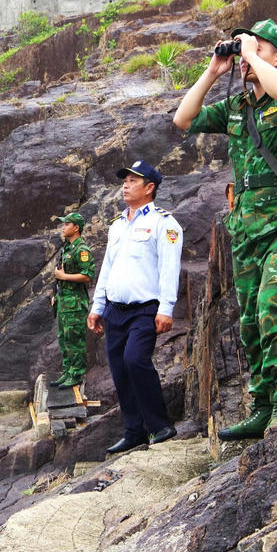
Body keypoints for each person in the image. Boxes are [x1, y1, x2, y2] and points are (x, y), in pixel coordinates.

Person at [172, 19, 277, 439]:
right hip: (246, 232)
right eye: (244, 50)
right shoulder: (237, 107)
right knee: (251, 324)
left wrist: (252, 54)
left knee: (273, 311)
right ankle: (262, 406)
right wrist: (213, 71)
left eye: (259, 48)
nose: (246, 58)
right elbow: (183, 119)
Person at [87, 161, 184, 454]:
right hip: (115, 309)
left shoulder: (164, 223)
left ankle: (160, 425)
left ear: (149, 187)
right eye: (124, 181)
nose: (125, 185)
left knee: (135, 360)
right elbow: (108, 267)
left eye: (132, 181)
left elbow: (170, 268)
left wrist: (166, 308)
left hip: (145, 309)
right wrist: (97, 306)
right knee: (119, 369)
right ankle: (133, 431)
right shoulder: (117, 224)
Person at [51, 212, 94, 389]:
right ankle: (68, 371)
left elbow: (87, 275)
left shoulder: (81, 250)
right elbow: (59, 273)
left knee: (75, 339)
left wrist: (64, 276)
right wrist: (55, 294)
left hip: (75, 302)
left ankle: (76, 374)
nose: (63, 227)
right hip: (64, 299)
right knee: (64, 338)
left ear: (76, 228)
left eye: (67, 224)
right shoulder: (67, 248)